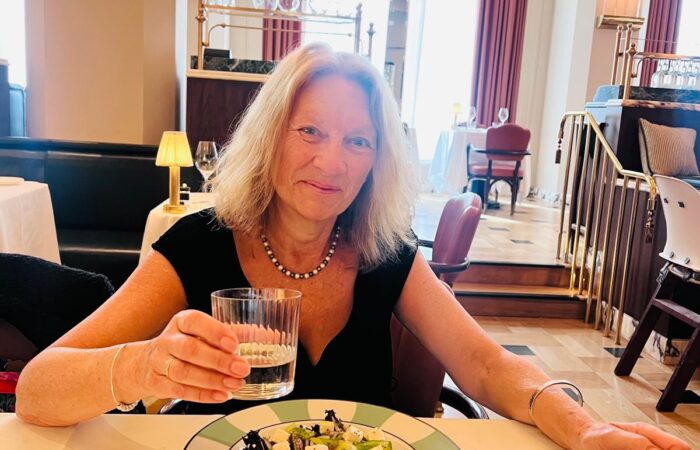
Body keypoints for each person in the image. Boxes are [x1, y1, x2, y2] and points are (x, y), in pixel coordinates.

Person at [16, 43, 689, 450]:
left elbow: (484, 366)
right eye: (309, 132)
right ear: (271, 138)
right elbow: (39, 389)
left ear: (377, 160)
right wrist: (143, 367)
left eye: (358, 141)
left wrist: (583, 427)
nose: (332, 162)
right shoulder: (198, 245)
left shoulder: (385, 250)